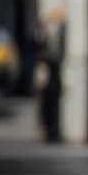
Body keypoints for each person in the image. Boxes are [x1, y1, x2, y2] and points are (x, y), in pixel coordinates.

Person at [34, 7, 67, 143]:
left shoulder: (58, 36)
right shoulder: (44, 37)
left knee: (53, 106)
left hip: (54, 77)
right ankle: (48, 129)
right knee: (47, 106)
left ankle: (53, 130)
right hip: (48, 77)